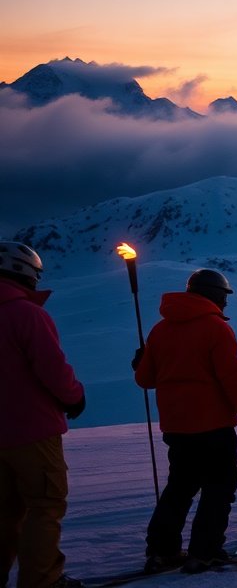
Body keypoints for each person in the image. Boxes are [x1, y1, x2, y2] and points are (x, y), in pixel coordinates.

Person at [134, 269, 237, 574]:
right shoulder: (216, 328)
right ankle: (205, 551)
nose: (225, 303)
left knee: (180, 487)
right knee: (219, 486)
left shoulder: (160, 330)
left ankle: (162, 551)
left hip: (176, 426)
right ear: (213, 294)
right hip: (213, 424)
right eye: (224, 296)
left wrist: (140, 362)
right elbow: (231, 376)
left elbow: (146, 379)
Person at [0, 242, 85, 588]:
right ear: (22, 271)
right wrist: (74, 397)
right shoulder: (26, 314)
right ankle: (42, 580)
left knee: (4, 513)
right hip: (32, 430)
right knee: (45, 505)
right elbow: (52, 368)